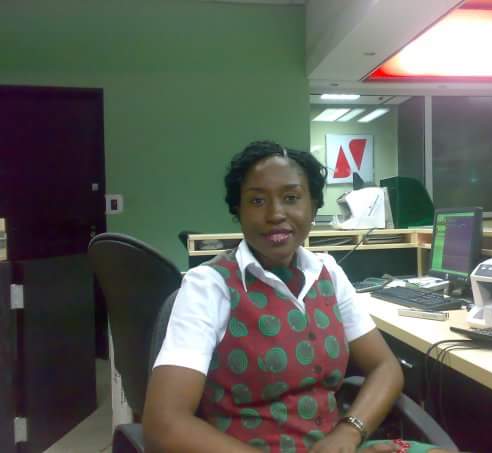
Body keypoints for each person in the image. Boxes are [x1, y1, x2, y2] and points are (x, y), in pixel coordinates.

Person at [143, 141, 452, 453]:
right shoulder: (209, 286)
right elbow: (164, 424)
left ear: (313, 206)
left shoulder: (328, 273)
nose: (275, 214)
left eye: (291, 198)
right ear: (238, 210)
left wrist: (349, 431)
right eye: (257, 200)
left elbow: (385, 366)